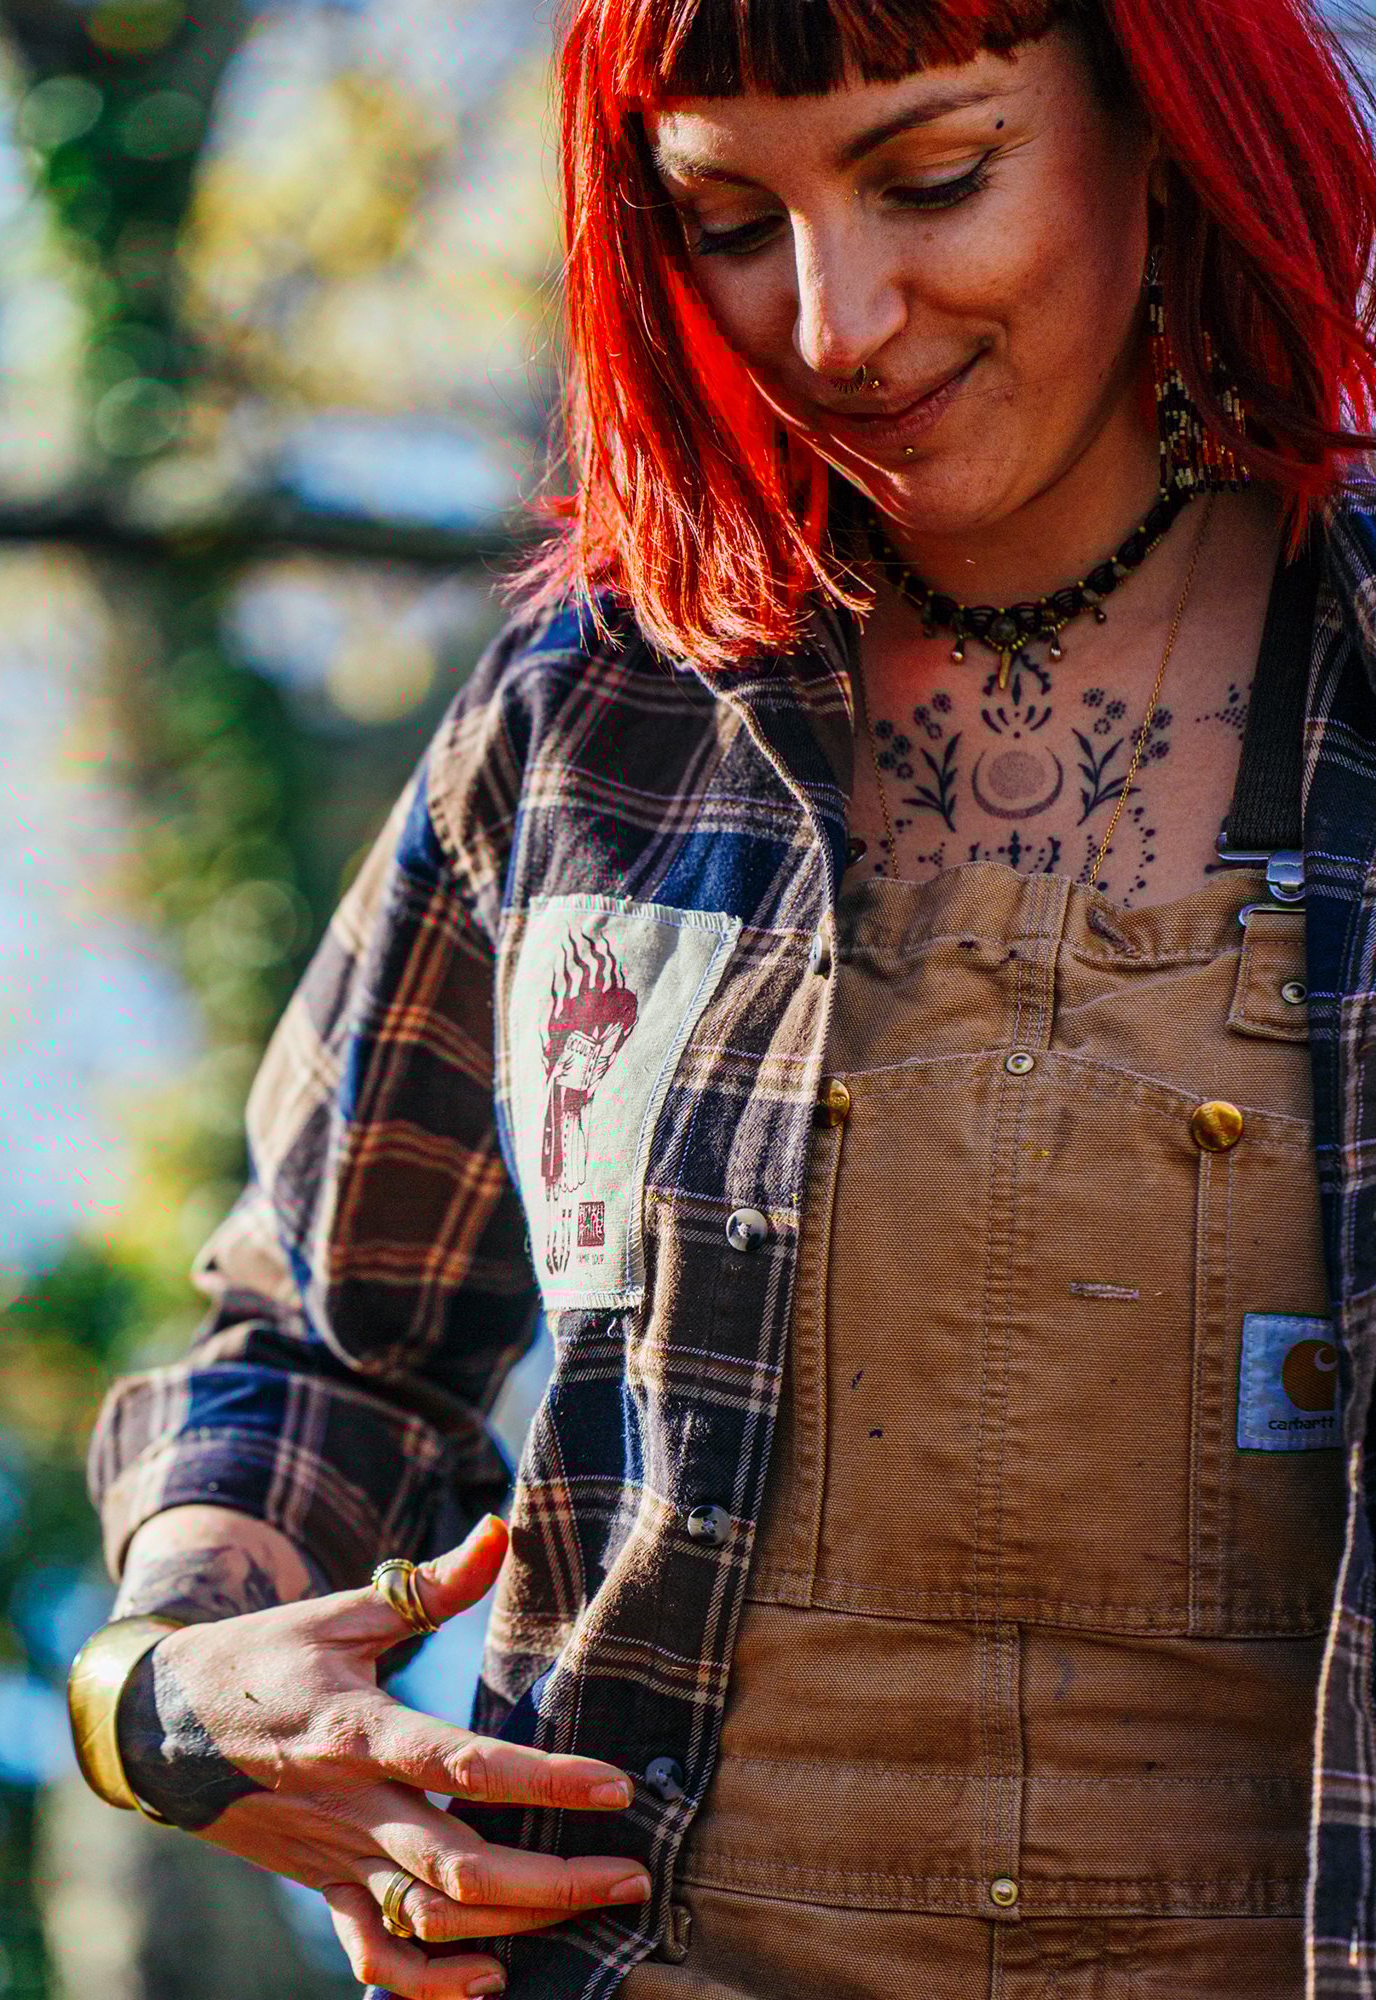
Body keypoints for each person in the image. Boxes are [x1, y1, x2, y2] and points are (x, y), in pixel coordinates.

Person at [68, 1, 1376, 1996]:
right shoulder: (591, 716)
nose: (835, 324)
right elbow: (324, 1345)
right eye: (731, 223)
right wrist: (170, 1685)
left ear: (1160, 120)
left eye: (934, 177)